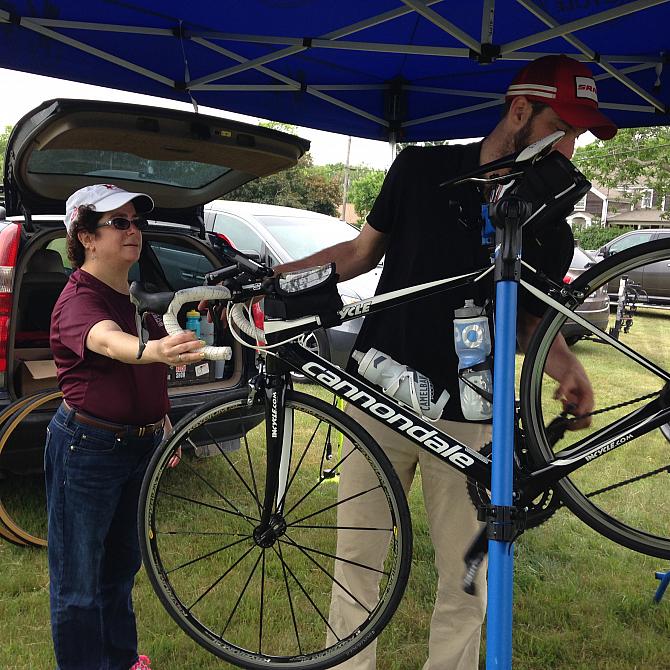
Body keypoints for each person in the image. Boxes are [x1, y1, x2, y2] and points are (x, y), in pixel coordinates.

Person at [273, 55, 617, 670]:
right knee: (356, 566)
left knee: (468, 579)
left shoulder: (549, 221)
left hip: (471, 423)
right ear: (520, 112)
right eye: (561, 128)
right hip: (376, 399)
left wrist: (565, 366)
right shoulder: (422, 169)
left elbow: (531, 319)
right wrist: (270, 279)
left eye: (579, 135)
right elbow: (358, 252)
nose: (570, 147)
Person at [45, 184, 206, 670]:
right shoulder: (78, 299)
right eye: (120, 223)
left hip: (138, 448)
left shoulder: (134, 296)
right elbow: (107, 342)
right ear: (86, 236)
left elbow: (145, 373)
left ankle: (119, 660)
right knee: (78, 582)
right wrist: (154, 349)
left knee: (119, 568)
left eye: (137, 222)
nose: (133, 231)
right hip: (88, 449)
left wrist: (163, 422)